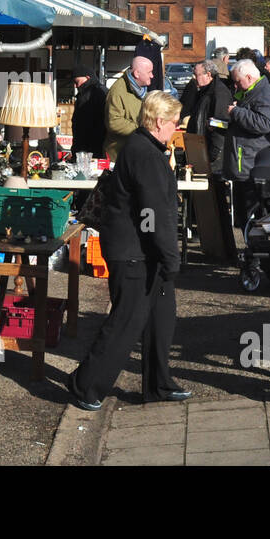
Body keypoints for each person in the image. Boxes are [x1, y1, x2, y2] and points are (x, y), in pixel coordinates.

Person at [69, 91, 189, 410]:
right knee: (126, 321)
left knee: (161, 318)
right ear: (159, 121)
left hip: (144, 250)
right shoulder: (145, 154)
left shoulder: (143, 147)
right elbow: (153, 213)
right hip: (134, 251)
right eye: (174, 123)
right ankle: (84, 385)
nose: (176, 129)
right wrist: (170, 255)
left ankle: (158, 384)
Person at [224, 59, 270, 223]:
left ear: (249, 77)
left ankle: (255, 245)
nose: (235, 85)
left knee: (254, 215)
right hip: (246, 162)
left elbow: (264, 124)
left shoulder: (265, 94)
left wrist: (237, 112)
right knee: (245, 216)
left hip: (252, 164)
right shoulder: (253, 92)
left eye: (237, 81)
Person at [184, 58, 232, 172]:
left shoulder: (219, 93)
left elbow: (221, 126)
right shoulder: (204, 92)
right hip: (201, 149)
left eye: (196, 74)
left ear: (208, 75)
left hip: (213, 155)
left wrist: (213, 155)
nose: (193, 78)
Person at [104, 55, 153, 161]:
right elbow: (114, 122)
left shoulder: (142, 91)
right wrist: (141, 129)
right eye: (149, 72)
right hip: (119, 154)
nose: (152, 75)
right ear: (136, 74)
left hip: (135, 151)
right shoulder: (118, 91)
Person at [70, 63, 107, 158]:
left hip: (89, 148)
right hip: (90, 147)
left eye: (77, 81)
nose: (75, 86)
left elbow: (84, 124)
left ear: (87, 77)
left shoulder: (93, 93)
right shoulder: (96, 91)